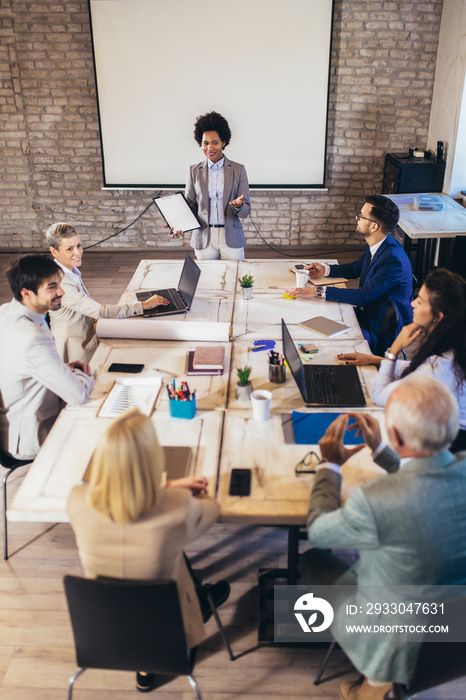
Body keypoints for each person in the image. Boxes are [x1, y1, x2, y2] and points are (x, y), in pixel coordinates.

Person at [300, 376, 466, 699]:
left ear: (398, 435)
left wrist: (330, 465)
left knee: (312, 560)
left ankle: (372, 688)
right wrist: (380, 449)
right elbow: (424, 479)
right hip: (455, 627)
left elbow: (319, 532)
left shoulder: (373, 499)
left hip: (395, 637)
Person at [67, 408, 230, 694]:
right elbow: (212, 510)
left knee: (165, 553)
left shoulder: (77, 501)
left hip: (102, 625)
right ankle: (200, 606)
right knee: (173, 553)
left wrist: (166, 487)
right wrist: (174, 489)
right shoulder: (176, 507)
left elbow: (121, 496)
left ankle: (144, 669)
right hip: (169, 626)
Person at [338, 267, 466, 452]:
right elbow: (419, 367)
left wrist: (394, 350)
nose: (413, 304)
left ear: (439, 316)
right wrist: (376, 360)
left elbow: (380, 396)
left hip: (449, 448)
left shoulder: (438, 369)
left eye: (420, 302)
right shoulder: (456, 345)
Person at [285, 195, 413, 353]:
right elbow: (356, 268)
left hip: (378, 330)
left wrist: (318, 291)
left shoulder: (393, 260)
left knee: (320, 338)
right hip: (367, 315)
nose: (356, 218)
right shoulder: (380, 244)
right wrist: (326, 270)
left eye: (361, 215)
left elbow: (362, 296)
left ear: (374, 227)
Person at [0, 254, 94, 459]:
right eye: (52, 287)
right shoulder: (32, 338)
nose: (61, 292)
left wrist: (59, 368)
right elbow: (78, 395)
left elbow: (21, 363)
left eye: (59, 284)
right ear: (26, 293)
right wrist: (84, 373)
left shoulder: (6, 311)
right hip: (33, 435)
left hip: (13, 416)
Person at [46, 223, 170, 363]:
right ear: (54, 251)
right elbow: (100, 311)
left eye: (79, 246)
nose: (78, 252)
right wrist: (143, 306)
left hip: (88, 333)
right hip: (76, 347)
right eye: (70, 249)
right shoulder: (61, 282)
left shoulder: (70, 271)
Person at [169, 111, 250, 260]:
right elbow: (190, 207)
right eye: (205, 143)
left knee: (234, 280)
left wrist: (238, 206)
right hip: (204, 238)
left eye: (215, 142)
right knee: (207, 281)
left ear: (224, 142)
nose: (209, 148)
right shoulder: (194, 171)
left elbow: (245, 211)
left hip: (231, 238)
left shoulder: (239, 170)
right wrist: (178, 224)